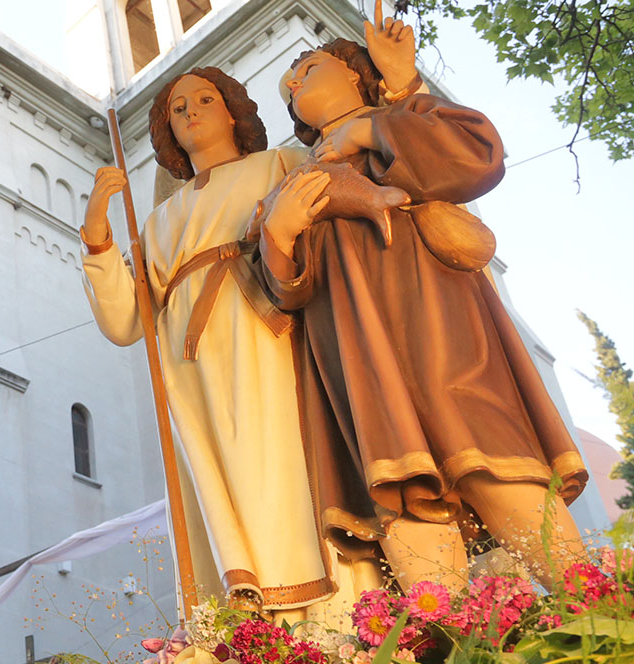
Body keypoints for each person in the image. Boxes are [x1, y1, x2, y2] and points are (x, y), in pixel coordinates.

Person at [259, 12, 588, 592]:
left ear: (355, 75)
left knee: (476, 435)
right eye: (289, 82)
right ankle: (451, 632)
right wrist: (279, 233)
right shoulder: (294, 179)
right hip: (353, 346)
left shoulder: (401, 119)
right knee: (396, 474)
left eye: (308, 67)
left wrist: (385, 109)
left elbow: (475, 154)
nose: (292, 82)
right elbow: (287, 289)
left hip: (430, 308)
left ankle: (590, 605)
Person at [82, 66, 378, 620]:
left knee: (281, 457)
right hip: (189, 365)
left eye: (204, 99)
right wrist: (98, 233)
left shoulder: (279, 164)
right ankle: (248, 632)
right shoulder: (157, 222)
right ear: (168, 132)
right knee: (217, 484)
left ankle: (335, 617)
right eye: (178, 109)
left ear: (233, 110)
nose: (191, 112)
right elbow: (124, 323)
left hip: (266, 329)